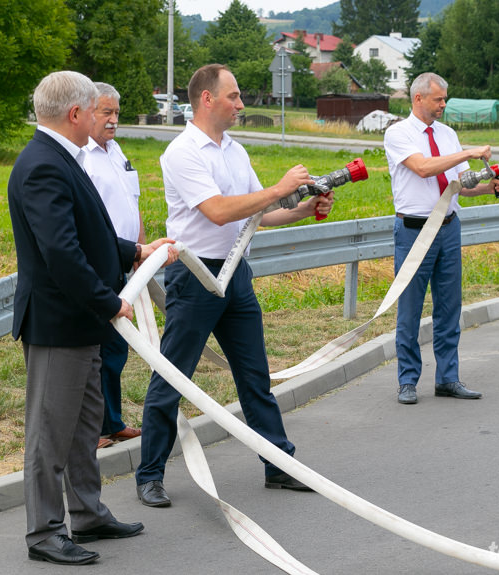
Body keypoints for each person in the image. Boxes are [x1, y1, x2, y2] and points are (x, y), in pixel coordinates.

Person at [134, 64, 334, 508]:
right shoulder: (183, 152)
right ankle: (149, 475)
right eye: (234, 96)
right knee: (172, 377)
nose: (241, 105)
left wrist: (303, 208)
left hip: (234, 273)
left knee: (254, 376)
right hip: (197, 275)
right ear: (207, 99)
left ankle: (279, 464)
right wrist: (280, 187)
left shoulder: (234, 151)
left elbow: (256, 215)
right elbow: (220, 212)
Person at [7, 70, 176, 565]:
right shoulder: (44, 164)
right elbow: (61, 252)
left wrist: (137, 251)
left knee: (84, 427)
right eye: (96, 107)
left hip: (81, 322)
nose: (104, 116)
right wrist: (108, 302)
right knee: (49, 432)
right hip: (60, 322)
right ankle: (44, 532)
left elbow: (91, 232)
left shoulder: (67, 157)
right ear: (76, 113)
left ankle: (87, 513)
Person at [383, 72, 499, 406]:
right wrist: (467, 153)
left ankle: (448, 378)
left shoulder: (447, 134)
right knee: (409, 310)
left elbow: (457, 186)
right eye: (438, 99)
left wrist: (487, 187)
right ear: (418, 98)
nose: (444, 104)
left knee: (449, 308)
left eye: (445, 98)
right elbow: (423, 168)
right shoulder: (398, 133)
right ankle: (407, 381)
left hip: (449, 227)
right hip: (415, 231)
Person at [82, 82, 145, 449]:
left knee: (117, 346)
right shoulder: (83, 157)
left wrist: (140, 249)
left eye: (116, 113)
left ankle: (112, 421)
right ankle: (94, 428)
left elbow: (129, 202)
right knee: (97, 348)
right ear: (87, 111)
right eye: (106, 112)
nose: (113, 121)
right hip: (97, 261)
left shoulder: (117, 151)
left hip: (126, 259)